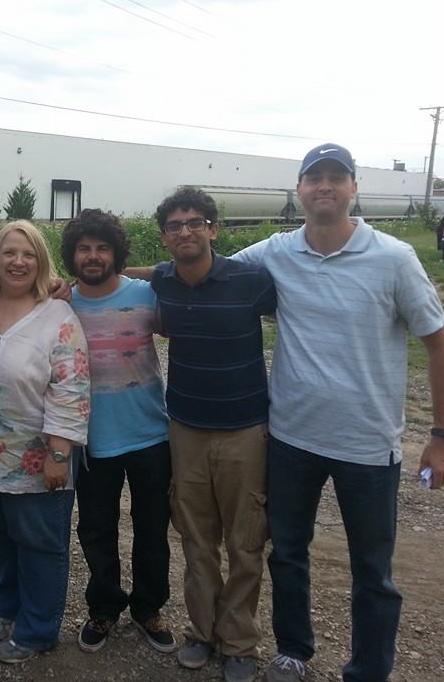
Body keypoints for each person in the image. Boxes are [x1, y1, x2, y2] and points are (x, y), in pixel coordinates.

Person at [233, 143, 444, 682]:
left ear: (353, 188)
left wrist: (443, 436)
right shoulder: (277, 252)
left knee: (372, 572)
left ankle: (368, 670)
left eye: (337, 177)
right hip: (291, 437)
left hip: (368, 444)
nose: (325, 186)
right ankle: (293, 651)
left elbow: (441, 344)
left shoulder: (394, 258)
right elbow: (202, 271)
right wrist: (105, 278)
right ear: (301, 190)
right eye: (315, 178)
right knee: (287, 552)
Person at [150, 188, 277, 682]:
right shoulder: (163, 280)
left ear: (213, 229)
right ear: (164, 237)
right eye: (176, 225)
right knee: (196, 541)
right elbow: (135, 278)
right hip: (185, 430)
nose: (186, 231)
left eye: (195, 222)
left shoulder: (251, 280)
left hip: (246, 431)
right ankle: (201, 633)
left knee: (246, 542)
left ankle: (240, 642)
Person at [0, 220, 90, 664]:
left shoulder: (58, 317)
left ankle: (37, 629)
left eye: (28, 254)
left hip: (37, 458)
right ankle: (5, 609)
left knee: (40, 544)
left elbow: (71, 390)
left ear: (41, 262)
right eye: (9, 252)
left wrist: (58, 454)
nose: (18, 261)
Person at [59, 209, 175, 655]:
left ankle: (148, 608)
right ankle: (104, 607)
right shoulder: (61, 303)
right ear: (72, 254)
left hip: (150, 434)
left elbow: (180, 330)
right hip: (91, 440)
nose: (92, 256)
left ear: (116, 253)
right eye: (84, 248)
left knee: (151, 528)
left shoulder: (147, 295)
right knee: (95, 529)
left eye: (101, 247)